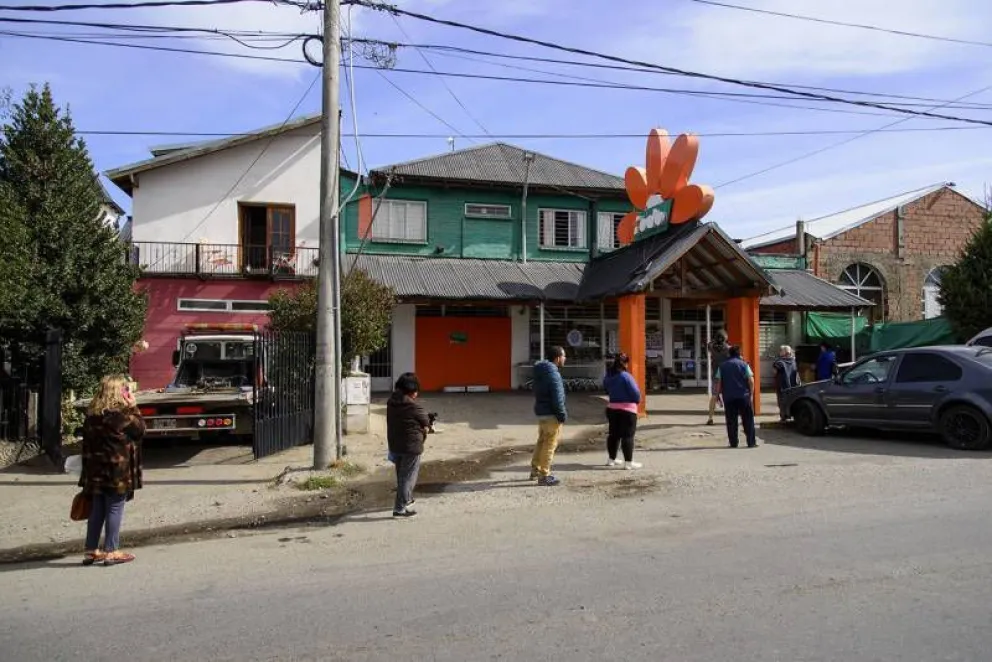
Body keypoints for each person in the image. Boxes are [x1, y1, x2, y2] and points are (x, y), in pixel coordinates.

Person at [79, 375, 145, 566]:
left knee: (97, 510)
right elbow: (140, 430)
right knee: (114, 509)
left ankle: (91, 550)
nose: (129, 392)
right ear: (120, 392)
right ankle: (111, 551)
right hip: (117, 472)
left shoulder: (92, 416)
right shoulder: (121, 416)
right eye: (126, 389)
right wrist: (133, 406)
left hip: (95, 471)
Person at [386, 372, 430, 518]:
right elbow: (425, 421)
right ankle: (399, 509)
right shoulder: (413, 406)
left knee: (401, 476)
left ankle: (407, 498)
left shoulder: (391, 402)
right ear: (411, 390)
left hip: (395, 444)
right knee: (408, 477)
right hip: (411, 447)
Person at [531, 346, 567, 486]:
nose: (565, 359)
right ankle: (544, 475)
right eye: (564, 356)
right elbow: (558, 398)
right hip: (552, 414)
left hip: (542, 412)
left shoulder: (540, 372)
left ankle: (535, 469)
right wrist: (562, 415)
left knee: (541, 442)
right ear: (558, 358)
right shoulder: (553, 374)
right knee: (549, 444)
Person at [602, 353, 643, 470]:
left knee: (613, 435)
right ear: (625, 363)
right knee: (628, 436)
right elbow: (636, 394)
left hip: (612, 409)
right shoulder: (626, 376)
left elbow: (606, 390)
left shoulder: (608, 377)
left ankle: (611, 459)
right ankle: (628, 463)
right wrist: (637, 400)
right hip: (628, 410)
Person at [714, 345, 758, 449]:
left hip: (729, 397)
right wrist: (751, 394)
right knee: (748, 420)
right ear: (739, 354)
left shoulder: (722, 366)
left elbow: (719, 383)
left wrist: (717, 396)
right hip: (744, 396)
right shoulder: (744, 365)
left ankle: (733, 443)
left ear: (729, 354)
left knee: (731, 420)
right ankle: (751, 442)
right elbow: (751, 381)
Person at [706, 330, 731, 426]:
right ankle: (729, 418)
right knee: (728, 397)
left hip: (716, 375)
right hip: (726, 375)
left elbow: (709, 344)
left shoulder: (711, 347)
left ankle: (710, 418)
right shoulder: (728, 348)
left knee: (713, 396)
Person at [772, 345, 801, 421]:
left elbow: (774, 373)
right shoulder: (794, 361)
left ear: (783, 352)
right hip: (793, 385)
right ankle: (792, 415)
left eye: (781, 351)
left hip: (782, 386)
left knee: (782, 401)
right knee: (792, 400)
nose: (780, 352)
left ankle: (783, 416)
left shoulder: (779, 362)